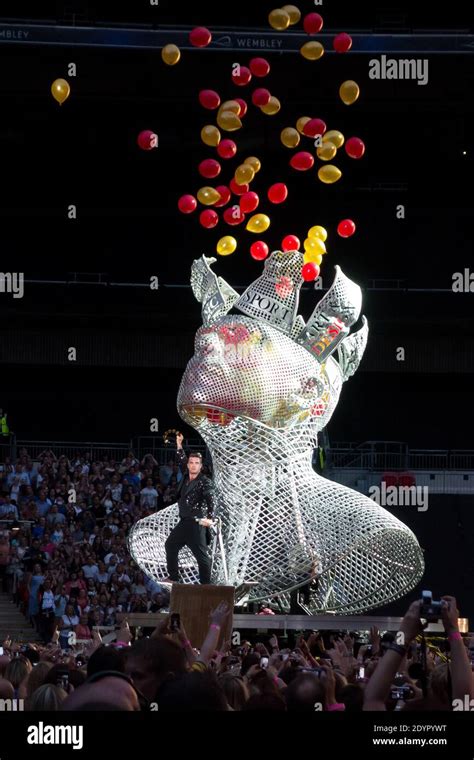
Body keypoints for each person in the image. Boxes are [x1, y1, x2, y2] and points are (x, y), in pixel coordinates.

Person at [164, 433, 216, 585]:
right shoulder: (186, 476)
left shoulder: (204, 482)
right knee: (170, 545)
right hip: (184, 522)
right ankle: (174, 577)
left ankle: (206, 585)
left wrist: (210, 518)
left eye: (196, 463)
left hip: (196, 523)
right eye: (191, 462)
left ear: (200, 466)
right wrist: (179, 444)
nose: (193, 465)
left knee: (202, 557)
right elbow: (181, 460)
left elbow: (211, 500)